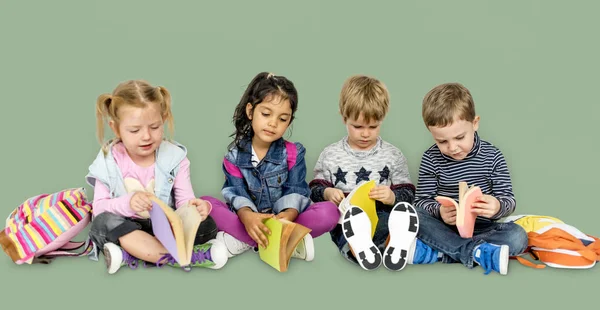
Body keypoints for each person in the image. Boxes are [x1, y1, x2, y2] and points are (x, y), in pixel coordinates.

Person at [86, 79, 228, 274]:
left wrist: (197, 209)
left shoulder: (175, 158)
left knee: (207, 225)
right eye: (135, 130)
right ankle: (184, 258)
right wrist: (129, 203)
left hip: (165, 230)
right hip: (128, 229)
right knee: (103, 223)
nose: (146, 136)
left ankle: (131, 256)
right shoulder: (108, 161)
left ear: (164, 119)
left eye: (154, 127)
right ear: (116, 128)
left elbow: (184, 202)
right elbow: (99, 208)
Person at [202, 72, 339, 261]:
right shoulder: (233, 157)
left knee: (330, 212)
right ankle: (285, 243)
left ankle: (245, 242)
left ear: (289, 121)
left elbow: (296, 190)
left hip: (283, 221)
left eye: (283, 119)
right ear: (250, 112)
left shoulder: (293, 153)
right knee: (205, 204)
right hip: (247, 221)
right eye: (266, 114)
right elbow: (236, 193)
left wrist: (287, 216)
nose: (273, 123)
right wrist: (248, 217)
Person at [411, 82, 528, 275]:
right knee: (412, 214)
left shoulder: (493, 156)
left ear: (475, 123)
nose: (452, 147)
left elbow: (508, 200)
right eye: (442, 141)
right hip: (444, 229)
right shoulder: (430, 158)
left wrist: (497, 206)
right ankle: (475, 252)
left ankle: (443, 253)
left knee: (518, 237)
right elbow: (422, 202)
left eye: (459, 137)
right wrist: (439, 211)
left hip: (483, 229)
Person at [309, 75, 419, 271]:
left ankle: (392, 246)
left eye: (373, 126)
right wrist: (327, 193)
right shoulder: (331, 154)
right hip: (346, 218)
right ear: (344, 118)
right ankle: (360, 248)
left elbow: (408, 193)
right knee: (342, 230)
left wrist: (392, 196)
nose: (365, 134)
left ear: (382, 120)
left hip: (380, 213)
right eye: (358, 127)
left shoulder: (392, 154)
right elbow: (315, 189)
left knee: (389, 223)